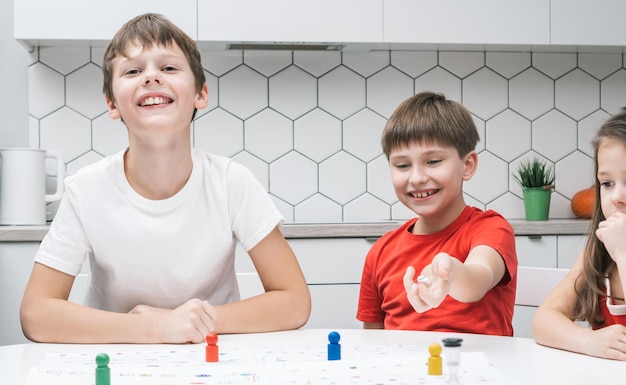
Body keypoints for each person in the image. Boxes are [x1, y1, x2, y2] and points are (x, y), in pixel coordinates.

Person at [20, 13, 311, 344]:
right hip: (120, 361)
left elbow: (295, 301)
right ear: (112, 103)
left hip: (214, 358)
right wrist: (158, 328)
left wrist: (194, 322)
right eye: (133, 71)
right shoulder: (85, 190)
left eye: (169, 68)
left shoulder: (232, 182)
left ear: (201, 94)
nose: (151, 77)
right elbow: (35, 313)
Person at [356, 92, 517, 336]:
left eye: (433, 161)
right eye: (402, 165)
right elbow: (373, 341)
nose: (417, 178)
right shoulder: (380, 252)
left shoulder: (490, 229)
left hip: (479, 372)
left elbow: (480, 276)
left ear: (468, 165)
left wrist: (451, 273)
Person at [533, 110, 626, 360]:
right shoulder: (597, 252)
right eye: (607, 183)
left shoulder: (618, 249)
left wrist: (623, 254)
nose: (616, 196)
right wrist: (589, 341)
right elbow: (543, 320)